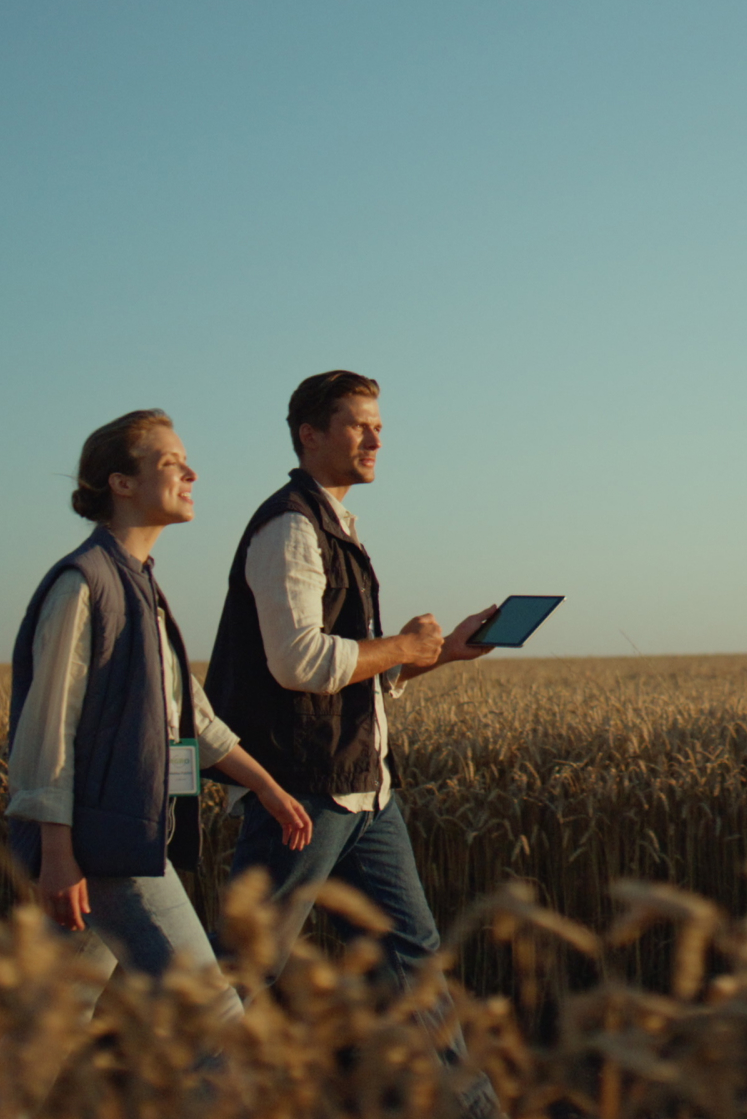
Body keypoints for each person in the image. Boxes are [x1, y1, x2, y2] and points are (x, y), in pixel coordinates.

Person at [204, 371, 502, 1115]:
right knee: (246, 966)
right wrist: (398, 641)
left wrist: (440, 654)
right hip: (303, 790)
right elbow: (299, 662)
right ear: (309, 434)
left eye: (378, 427)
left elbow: (352, 678)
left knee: (412, 964)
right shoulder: (290, 527)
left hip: (364, 791)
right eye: (357, 425)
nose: (375, 439)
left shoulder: (334, 524)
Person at [5, 408, 314, 1030]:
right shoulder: (83, 584)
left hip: (118, 838)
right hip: (108, 848)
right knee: (216, 1027)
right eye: (171, 462)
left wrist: (266, 785)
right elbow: (46, 731)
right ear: (121, 483)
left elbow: (189, 717)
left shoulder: (141, 585)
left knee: (42, 1040)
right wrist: (57, 854)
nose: (192, 472)